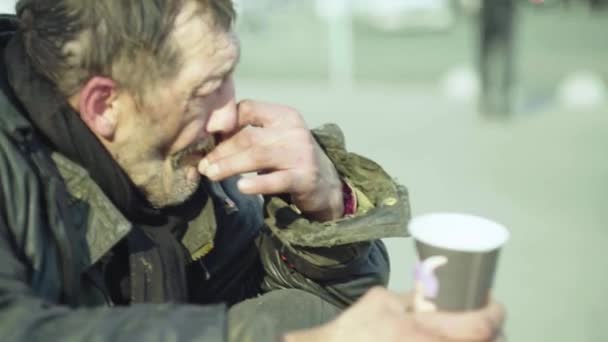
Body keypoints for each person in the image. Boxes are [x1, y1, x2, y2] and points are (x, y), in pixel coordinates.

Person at [0, 0, 504, 341]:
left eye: (229, 74)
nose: (228, 112)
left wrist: (325, 209)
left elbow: (310, 311)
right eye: (207, 88)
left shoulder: (181, 161)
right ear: (104, 104)